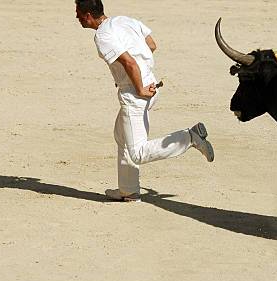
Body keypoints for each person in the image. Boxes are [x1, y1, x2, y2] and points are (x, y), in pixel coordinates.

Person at [75, 0, 214, 202]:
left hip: (136, 92)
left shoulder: (102, 35)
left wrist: (138, 87)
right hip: (151, 84)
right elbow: (151, 44)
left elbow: (128, 62)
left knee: (138, 152)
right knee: (121, 136)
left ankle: (190, 137)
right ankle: (128, 191)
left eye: (78, 13)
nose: (76, 17)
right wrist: (143, 75)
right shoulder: (124, 20)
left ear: (88, 15)